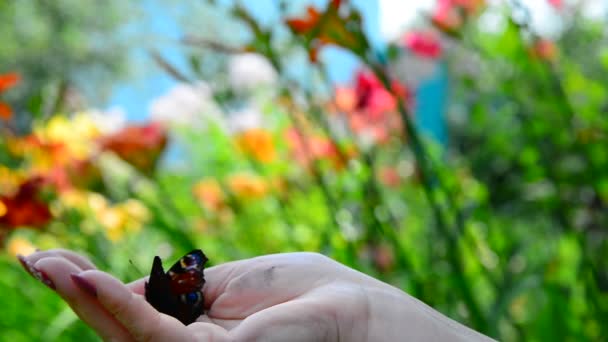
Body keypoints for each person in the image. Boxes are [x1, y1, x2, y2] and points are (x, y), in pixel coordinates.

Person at [18, 249, 494, 341]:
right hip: (189, 310)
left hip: (186, 310)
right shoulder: (175, 283)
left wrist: (367, 317)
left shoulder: (165, 283)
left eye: (190, 269)